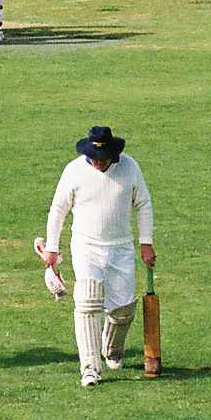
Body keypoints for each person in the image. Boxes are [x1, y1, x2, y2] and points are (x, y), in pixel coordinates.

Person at [42, 126, 155, 387]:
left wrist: (145, 243)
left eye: (104, 158)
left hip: (121, 246)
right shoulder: (74, 170)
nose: (99, 162)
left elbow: (143, 204)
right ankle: (90, 368)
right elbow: (58, 209)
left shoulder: (129, 167)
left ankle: (112, 351)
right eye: (95, 157)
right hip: (86, 246)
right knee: (88, 299)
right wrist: (52, 247)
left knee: (124, 308)